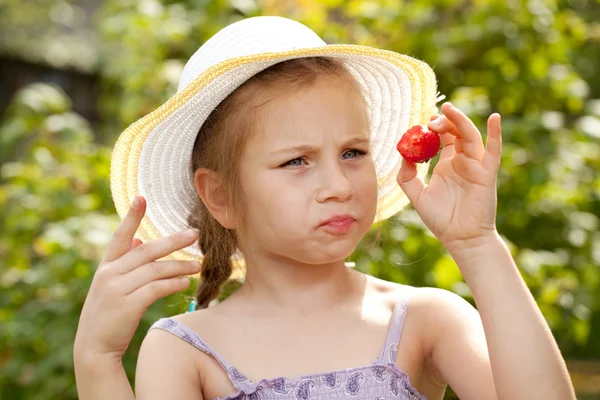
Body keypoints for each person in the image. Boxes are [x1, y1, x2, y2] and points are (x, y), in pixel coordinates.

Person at [73, 16, 576, 400]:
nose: (338, 185)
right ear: (221, 196)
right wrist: (97, 359)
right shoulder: (185, 349)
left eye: (352, 153)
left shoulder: (424, 320)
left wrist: (477, 244)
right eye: (297, 161)